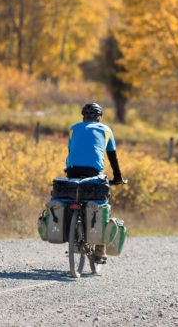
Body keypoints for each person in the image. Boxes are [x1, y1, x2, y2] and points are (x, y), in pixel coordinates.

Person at [65, 102, 124, 263]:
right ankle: (100, 249)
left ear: (83, 117)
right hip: (93, 172)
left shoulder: (73, 129)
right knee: (103, 202)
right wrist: (118, 178)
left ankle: (74, 236)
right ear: (99, 117)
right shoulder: (106, 130)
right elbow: (112, 157)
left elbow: (71, 152)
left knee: (74, 197)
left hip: (72, 171)